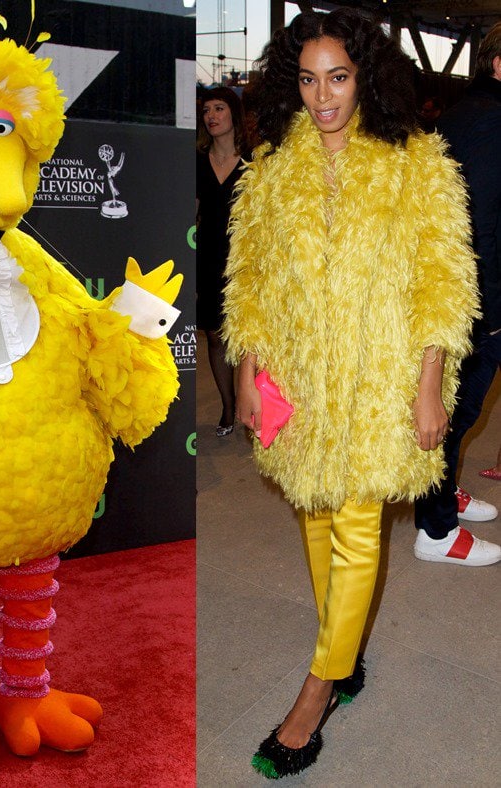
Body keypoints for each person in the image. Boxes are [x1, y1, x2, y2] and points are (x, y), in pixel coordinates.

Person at [222, 9, 479, 780]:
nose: (322, 95)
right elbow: (251, 286)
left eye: (337, 76)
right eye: (307, 78)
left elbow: (445, 280)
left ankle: (318, 687)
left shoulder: (417, 161)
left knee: (359, 527)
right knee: (314, 513)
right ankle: (345, 659)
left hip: (382, 379)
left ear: (364, 76)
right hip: (296, 377)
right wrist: (244, 376)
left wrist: (430, 383)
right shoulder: (270, 169)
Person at [413, 21, 501, 566]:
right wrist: (489, 313)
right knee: (453, 415)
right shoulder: (490, 121)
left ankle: (441, 497)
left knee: (453, 414)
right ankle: (436, 531)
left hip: (463, 293)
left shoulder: (468, 112)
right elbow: (482, 227)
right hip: (475, 300)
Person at [196, 87, 247, 436]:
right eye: (206, 110)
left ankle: (248, 404)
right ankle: (228, 407)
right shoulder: (196, 160)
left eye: (219, 108)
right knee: (215, 336)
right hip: (208, 256)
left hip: (244, 259)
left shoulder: (254, 161)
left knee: (246, 338)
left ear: (234, 115)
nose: (211, 116)